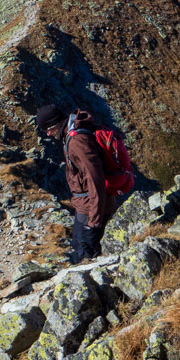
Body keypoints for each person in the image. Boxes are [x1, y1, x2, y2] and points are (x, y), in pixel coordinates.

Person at [36, 103, 118, 263]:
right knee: (80, 247)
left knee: (85, 253)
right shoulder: (74, 134)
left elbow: (95, 179)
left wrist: (94, 221)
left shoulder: (77, 142)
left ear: (56, 124)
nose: (47, 133)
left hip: (90, 207)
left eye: (48, 129)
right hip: (88, 204)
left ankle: (96, 284)